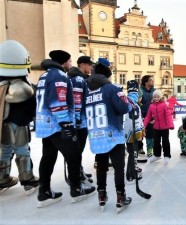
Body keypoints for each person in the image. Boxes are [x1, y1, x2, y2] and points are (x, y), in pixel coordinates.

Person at [35, 50, 95, 208]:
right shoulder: (59, 76)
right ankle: (76, 189)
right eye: (69, 61)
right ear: (63, 62)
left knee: (48, 157)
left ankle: (44, 191)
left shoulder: (44, 75)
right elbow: (58, 100)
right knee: (74, 155)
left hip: (45, 123)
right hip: (57, 125)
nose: (70, 64)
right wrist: (66, 123)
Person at [85, 58, 132, 212]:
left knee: (101, 167)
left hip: (95, 135)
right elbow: (124, 108)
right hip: (113, 133)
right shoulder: (111, 88)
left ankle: (102, 195)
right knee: (118, 166)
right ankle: (120, 196)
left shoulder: (87, 89)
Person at [0, 40, 38, 195]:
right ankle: (27, 178)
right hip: (19, 122)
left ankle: (2, 176)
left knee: (5, 150)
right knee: (22, 150)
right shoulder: (22, 86)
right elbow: (30, 106)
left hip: (3, 122)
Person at [67, 55, 94, 184]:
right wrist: (77, 119)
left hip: (81, 119)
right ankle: (76, 172)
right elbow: (77, 99)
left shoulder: (80, 78)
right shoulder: (78, 79)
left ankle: (79, 169)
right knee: (77, 149)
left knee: (78, 149)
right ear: (83, 65)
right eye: (89, 65)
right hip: (80, 121)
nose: (91, 67)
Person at [143, 90, 174, 165]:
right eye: (155, 97)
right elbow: (148, 116)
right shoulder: (151, 106)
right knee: (156, 142)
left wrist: (171, 125)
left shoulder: (164, 105)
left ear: (160, 97)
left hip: (165, 127)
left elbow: (168, 115)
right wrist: (143, 126)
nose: (156, 98)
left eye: (158, 97)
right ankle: (157, 155)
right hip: (156, 127)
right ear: (153, 97)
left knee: (165, 142)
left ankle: (167, 155)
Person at [124, 80, 145, 182]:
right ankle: (131, 174)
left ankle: (132, 169)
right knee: (133, 154)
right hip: (133, 135)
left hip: (128, 134)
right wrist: (139, 133)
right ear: (137, 94)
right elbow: (136, 122)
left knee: (132, 153)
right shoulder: (134, 105)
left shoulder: (126, 102)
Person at [138, 75, 155, 159]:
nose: (153, 81)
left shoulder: (154, 91)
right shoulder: (140, 91)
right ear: (146, 82)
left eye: (153, 80)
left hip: (152, 116)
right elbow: (137, 103)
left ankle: (150, 149)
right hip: (142, 116)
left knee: (151, 133)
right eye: (151, 80)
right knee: (140, 133)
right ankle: (140, 148)